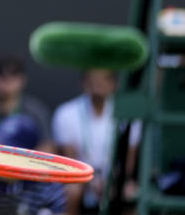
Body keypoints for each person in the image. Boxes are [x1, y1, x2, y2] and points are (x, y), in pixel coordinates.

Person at [52, 69, 133, 214]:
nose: (98, 84)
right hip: (81, 180)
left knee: (131, 192)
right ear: (83, 83)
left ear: (114, 84)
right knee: (71, 191)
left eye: (104, 79)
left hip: (115, 179)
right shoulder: (66, 113)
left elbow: (129, 160)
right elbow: (70, 160)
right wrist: (92, 182)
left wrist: (112, 182)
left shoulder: (127, 114)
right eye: (92, 80)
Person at [0, 55, 52, 145]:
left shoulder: (36, 110)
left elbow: (47, 145)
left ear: (22, 79)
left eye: (8, 75)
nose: (0, 81)